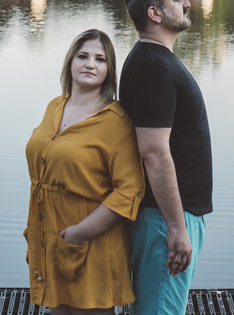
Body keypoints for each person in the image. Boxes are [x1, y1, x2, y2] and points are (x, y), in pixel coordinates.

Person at [25, 29, 145, 315]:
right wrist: (38, 235)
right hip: (50, 239)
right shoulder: (55, 106)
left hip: (93, 244)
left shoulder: (116, 122)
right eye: (83, 56)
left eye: (100, 59)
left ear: (109, 71)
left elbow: (129, 192)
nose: (90, 64)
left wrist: (78, 233)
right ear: (70, 62)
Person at [119, 0, 213, 315]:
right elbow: (154, 152)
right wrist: (176, 227)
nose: (186, 2)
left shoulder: (153, 60)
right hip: (164, 220)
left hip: (167, 217)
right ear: (154, 14)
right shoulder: (154, 67)